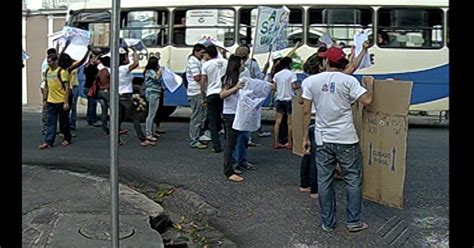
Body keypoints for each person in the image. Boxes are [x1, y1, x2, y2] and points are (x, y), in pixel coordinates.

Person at [301, 46, 374, 232]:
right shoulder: (348, 80)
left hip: (322, 138)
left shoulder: (310, 82)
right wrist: (370, 87)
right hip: (346, 138)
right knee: (352, 179)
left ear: (326, 61)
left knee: (324, 180)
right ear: (341, 62)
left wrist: (304, 138)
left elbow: (305, 111)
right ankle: (354, 222)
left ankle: (328, 223)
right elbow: (366, 101)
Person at [118, 47, 154, 146]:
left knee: (119, 119)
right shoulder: (124, 69)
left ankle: (116, 139)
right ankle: (142, 139)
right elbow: (136, 64)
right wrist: (134, 52)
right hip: (126, 96)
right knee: (135, 118)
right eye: (126, 57)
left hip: (118, 96)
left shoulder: (114, 69)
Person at [220, 55, 246, 182]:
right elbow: (222, 94)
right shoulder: (230, 78)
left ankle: (231, 166)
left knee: (234, 142)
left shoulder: (237, 78)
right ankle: (228, 171)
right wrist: (236, 88)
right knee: (230, 143)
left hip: (236, 112)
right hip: (230, 113)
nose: (243, 65)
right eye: (241, 63)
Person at [38, 53, 72, 149]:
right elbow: (46, 86)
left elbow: (67, 88)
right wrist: (44, 99)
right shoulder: (48, 71)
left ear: (56, 61)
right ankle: (48, 142)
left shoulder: (62, 72)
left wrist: (66, 102)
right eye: (48, 62)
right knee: (50, 122)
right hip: (51, 101)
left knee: (64, 122)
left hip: (61, 101)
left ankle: (67, 138)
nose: (49, 64)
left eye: (50, 61)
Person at [200, 45, 227, 153]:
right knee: (225, 118)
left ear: (208, 54)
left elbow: (203, 82)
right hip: (223, 93)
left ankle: (217, 146)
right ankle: (229, 143)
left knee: (212, 121)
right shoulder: (225, 62)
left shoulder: (206, 65)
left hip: (211, 93)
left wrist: (204, 95)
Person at [272, 57, 299, 150]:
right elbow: (294, 86)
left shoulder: (277, 75)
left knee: (278, 122)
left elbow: (274, 87)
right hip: (289, 99)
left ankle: (276, 142)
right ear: (290, 64)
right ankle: (289, 143)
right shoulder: (292, 74)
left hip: (279, 98)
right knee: (290, 123)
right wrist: (298, 86)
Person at [186, 43, 208, 149]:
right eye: (202, 53)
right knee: (196, 117)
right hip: (195, 92)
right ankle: (194, 139)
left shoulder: (198, 61)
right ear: (196, 51)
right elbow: (197, 77)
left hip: (198, 91)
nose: (203, 55)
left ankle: (197, 137)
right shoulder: (193, 62)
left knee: (201, 116)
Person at [143, 56, 163, 142]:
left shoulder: (148, 71)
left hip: (154, 92)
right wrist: (160, 71)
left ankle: (150, 131)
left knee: (152, 113)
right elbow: (156, 78)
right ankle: (148, 134)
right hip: (153, 93)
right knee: (151, 114)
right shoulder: (150, 72)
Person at [40, 48, 57, 134]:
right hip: (46, 86)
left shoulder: (48, 62)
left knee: (49, 107)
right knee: (46, 107)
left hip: (48, 86)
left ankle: (48, 127)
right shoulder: (47, 64)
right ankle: (45, 128)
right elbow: (45, 77)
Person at [83, 53, 100, 126]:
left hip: (87, 87)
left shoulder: (87, 66)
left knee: (90, 104)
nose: (97, 60)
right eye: (95, 58)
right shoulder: (92, 67)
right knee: (92, 104)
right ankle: (93, 119)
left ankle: (89, 119)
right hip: (91, 88)